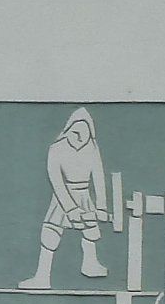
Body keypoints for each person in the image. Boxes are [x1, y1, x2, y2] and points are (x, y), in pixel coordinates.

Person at [18, 107, 108, 290]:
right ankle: (42, 277)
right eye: (76, 132)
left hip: (84, 195)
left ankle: (90, 264)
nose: (80, 137)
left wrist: (101, 207)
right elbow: (56, 182)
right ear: (68, 130)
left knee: (90, 231)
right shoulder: (57, 149)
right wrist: (70, 208)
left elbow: (98, 177)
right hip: (63, 199)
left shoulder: (92, 149)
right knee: (51, 233)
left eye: (85, 133)